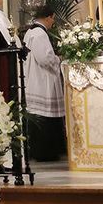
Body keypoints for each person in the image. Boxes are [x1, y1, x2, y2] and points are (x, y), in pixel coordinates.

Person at [21, 8, 66, 162]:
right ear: (48, 17)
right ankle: (46, 152)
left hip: (35, 79)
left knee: (41, 117)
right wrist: (58, 60)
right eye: (53, 19)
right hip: (42, 81)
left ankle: (43, 151)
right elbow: (45, 58)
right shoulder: (39, 33)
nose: (53, 22)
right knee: (45, 117)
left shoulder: (31, 31)